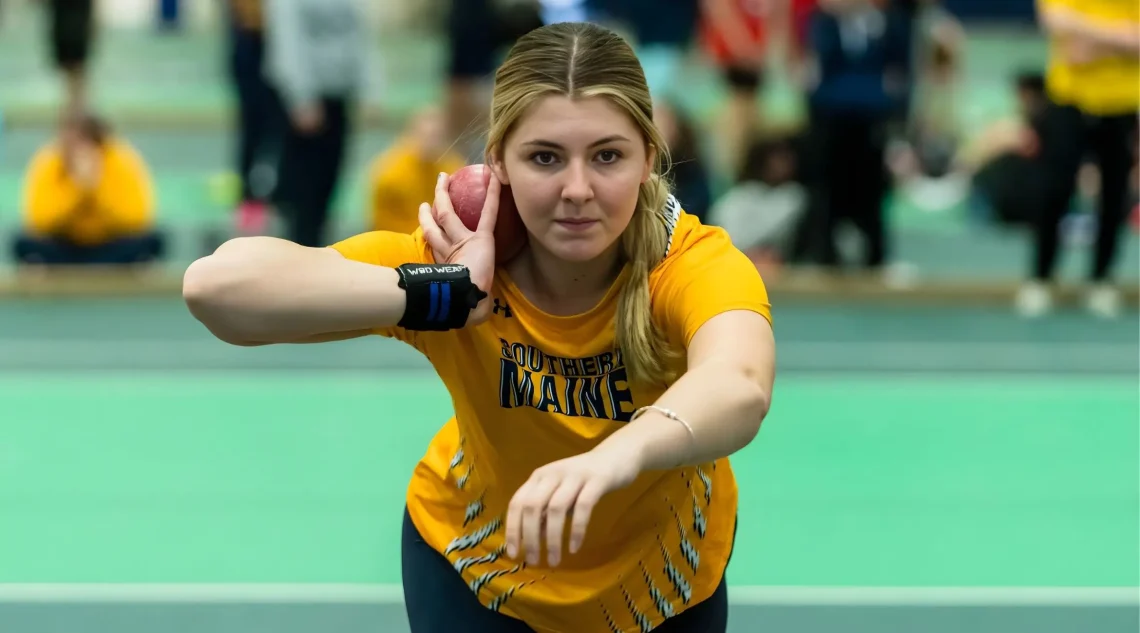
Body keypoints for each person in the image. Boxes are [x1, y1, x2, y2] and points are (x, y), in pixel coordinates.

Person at [184, 21, 775, 633]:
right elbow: (215, 288)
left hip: (659, 592)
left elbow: (739, 385)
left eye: (608, 156)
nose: (578, 189)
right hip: (476, 573)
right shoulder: (458, 265)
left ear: (649, 158)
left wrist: (616, 456)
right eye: (545, 157)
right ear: (498, 162)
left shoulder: (688, 263)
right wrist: (440, 295)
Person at [1018, 0, 1139, 319]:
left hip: (1121, 103)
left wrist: (1090, 40)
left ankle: (1100, 280)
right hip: (1068, 98)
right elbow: (1053, 20)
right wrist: (1117, 38)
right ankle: (1040, 277)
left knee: (1114, 195)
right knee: (1055, 189)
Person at [265, 0, 366, 248]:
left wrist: (366, 86)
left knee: (328, 183)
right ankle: (297, 249)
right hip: (305, 100)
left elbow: (358, 33)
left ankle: (316, 247)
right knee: (302, 191)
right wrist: (301, 96)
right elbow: (287, 42)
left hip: (339, 95)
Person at [14, 113, 163, 266]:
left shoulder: (120, 158)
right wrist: (78, 191)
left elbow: (137, 219)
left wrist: (96, 189)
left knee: (152, 241)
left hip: (110, 244)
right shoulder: (50, 160)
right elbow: (39, 221)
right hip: (64, 247)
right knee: (23, 243)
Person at [368, 106, 467, 234]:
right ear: (411, 133)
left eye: (436, 136)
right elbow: (381, 223)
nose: (431, 143)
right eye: (425, 135)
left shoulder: (454, 168)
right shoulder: (388, 173)